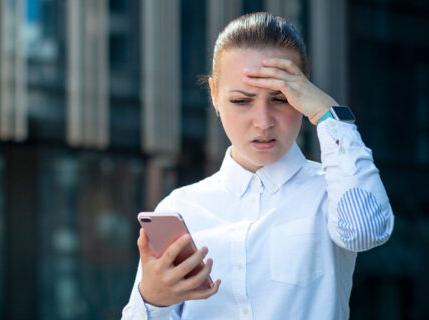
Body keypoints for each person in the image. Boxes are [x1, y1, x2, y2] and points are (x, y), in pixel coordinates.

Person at [122, 12, 394, 320]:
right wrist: (153, 301)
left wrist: (329, 115)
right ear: (214, 95)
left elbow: (365, 231)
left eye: (281, 99)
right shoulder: (181, 207)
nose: (263, 122)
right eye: (241, 101)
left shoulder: (331, 190)